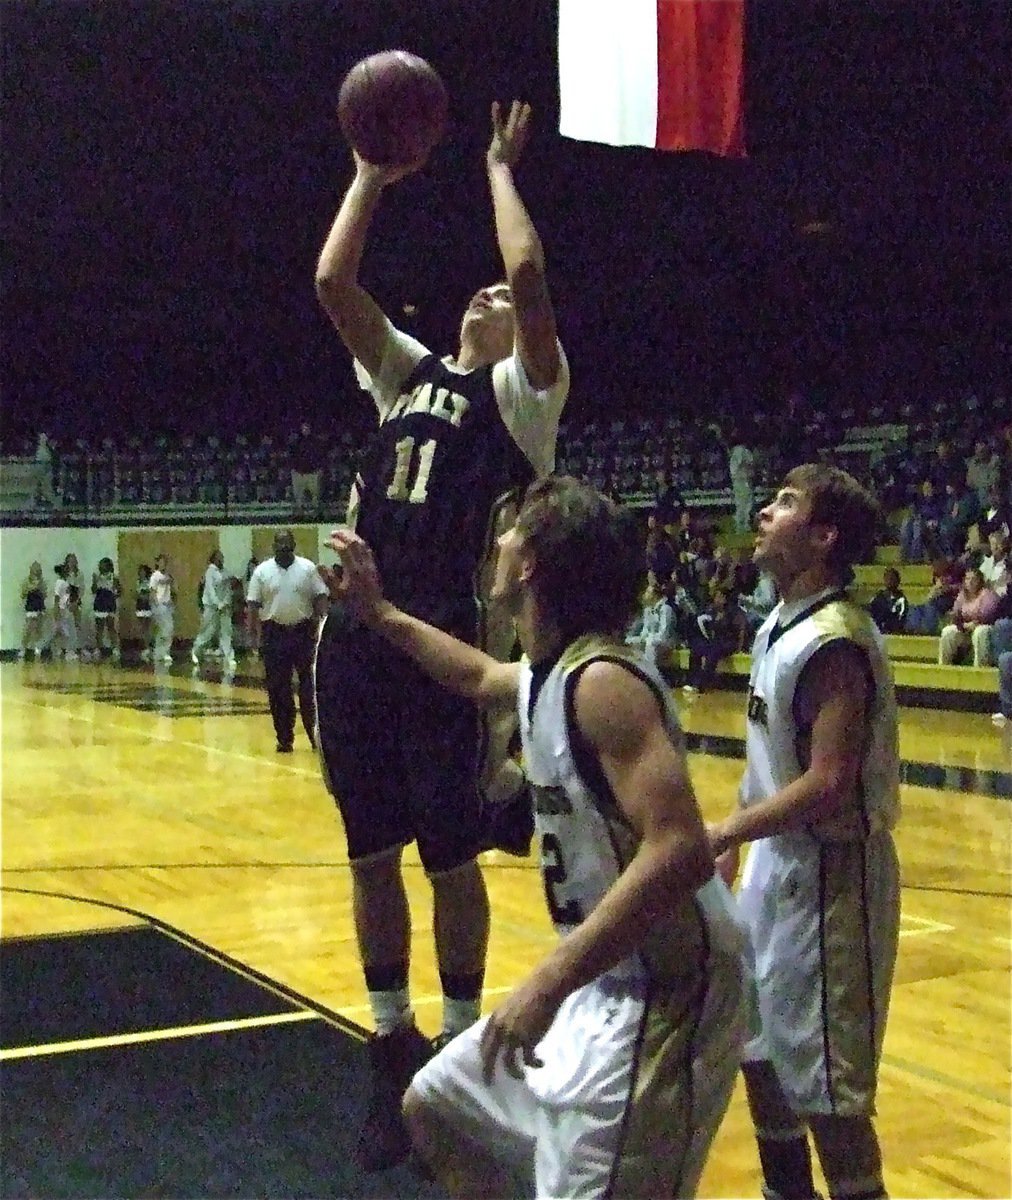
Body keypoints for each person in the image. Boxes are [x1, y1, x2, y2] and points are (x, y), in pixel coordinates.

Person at [329, 476, 748, 1199]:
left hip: (667, 992)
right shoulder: (547, 674)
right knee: (439, 1109)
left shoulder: (603, 684)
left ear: (531, 566)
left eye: (511, 530)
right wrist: (381, 614)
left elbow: (678, 849)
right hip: (603, 979)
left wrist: (548, 982)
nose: (497, 541)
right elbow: (480, 675)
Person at [312, 99, 569, 1168]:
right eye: (481, 294)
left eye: (502, 299)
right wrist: (372, 172)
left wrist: (499, 169)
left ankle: (458, 1055)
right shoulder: (405, 374)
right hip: (353, 645)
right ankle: (389, 1042)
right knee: (370, 855)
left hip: (438, 642)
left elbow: (531, 273)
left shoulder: (523, 400)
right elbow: (332, 284)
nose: (490, 293)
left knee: (448, 859)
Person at [708, 463, 900, 1200]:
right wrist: (732, 848)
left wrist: (725, 829)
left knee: (828, 1090)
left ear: (822, 537)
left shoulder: (836, 638)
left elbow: (827, 784)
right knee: (759, 1053)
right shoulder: (776, 625)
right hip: (774, 871)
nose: (764, 511)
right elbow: (766, 770)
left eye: (785, 503)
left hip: (831, 879)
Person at [245, 530, 329, 753]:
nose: (283, 547)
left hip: (304, 633)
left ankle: (315, 737)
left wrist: (324, 625)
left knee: (309, 688)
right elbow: (253, 605)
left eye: (286, 543)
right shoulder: (262, 572)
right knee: (277, 689)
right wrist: (253, 635)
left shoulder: (308, 569)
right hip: (274, 634)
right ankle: (284, 737)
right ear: (274, 546)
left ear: (293, 544)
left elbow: (320, 597)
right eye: (279, 543)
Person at [937, 566, 1000, 667]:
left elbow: (988, 615)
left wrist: (974, 624)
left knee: (980, 632)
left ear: (979, 581)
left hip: (984, 627)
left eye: (973, 579)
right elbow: (955, 614)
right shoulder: (962, 595)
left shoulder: (987, 594)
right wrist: (962, 624)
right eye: (967, 579)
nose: (970, 582)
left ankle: (980, 668)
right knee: (948, 631)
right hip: (965, 628)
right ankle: (944, 667)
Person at [191, 549, 236, 669]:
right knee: (207, 631)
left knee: (226, 632)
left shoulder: (225, 572)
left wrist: (226, 602)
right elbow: (210, 590)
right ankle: (196, 651)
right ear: (214, 559)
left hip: (224, 607)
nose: (222, 559)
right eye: (219, 557)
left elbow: (228, 589)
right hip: (211, 607)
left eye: (222, 557)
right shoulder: (210, 572)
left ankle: (229, 657)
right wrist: (218, 603)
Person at [91, 556, 121, 659]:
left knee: (110, 626)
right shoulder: (97, 576)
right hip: (99, 603)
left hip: (109, 603)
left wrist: (114, 594)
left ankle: (115, 648)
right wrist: (95, 582)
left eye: (104, 564)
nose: (102, 566)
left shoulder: (114, 577)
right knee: (99, 627)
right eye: (101, 564)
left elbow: (119, 591)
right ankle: (98, 648)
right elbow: (94, 590)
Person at [290, 420, 322, 515]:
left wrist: (319, 469)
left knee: (315, 495)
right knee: (299, 496)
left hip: (312, 473)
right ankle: (299, 514)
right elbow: (292, 456)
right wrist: (293, 470)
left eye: (307, 428)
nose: (305, 430)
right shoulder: (296, 442)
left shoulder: (315, 442)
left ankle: (315, 515)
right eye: (303, 428)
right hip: (299, 473)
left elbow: (319, 456)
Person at [148, 554, 175, 664]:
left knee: (168, 629)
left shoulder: (168, 576)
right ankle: (163, 652)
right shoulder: (155, 576)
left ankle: (161, 652)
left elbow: (171, 589)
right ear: (158, 563)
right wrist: (156, 604)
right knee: (166, 628)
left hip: (167, 605)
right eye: (161, 562)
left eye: (165, 562)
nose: (163, 564)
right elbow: (152, 591)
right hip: (159, 605)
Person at [867, 566, 908, 634]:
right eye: (887, 578)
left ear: (898, 581)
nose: (889, 581)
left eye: (892, 578)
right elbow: (872, 614)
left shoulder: (901, 599)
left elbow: (901, 619)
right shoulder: (879, 597)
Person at [19, 561, 47, 660]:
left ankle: (37, 648)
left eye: (38, 570)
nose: (36, 571)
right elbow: (22, 595)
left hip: (39, 608)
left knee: (38, 629)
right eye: (35, 569)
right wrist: (30, 589)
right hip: (30, 608)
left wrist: (39, 588)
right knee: (28, 629)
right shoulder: (26, 582)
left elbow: (45, 595)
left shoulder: (42, 582)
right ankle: (23, 648)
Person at [134, 564, 153, 661]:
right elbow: (137, 594)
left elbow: (150, 594)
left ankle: (148, 647)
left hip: (148, 606)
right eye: (140, 571)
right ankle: (145, 647)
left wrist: (145, 595)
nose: (141, 573)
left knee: (147, 627)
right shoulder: (138, 582)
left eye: (143, 571)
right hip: (140, 606)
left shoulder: (149, 582)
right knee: (142, 628)